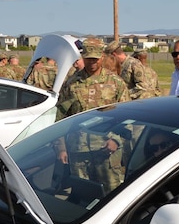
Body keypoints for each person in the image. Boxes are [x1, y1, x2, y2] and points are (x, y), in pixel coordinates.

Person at [54, 37, 131, 192]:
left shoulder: (116, 82)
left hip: (107, 150)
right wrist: (61, 147)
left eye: (96, 59)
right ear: (83, 58)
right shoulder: (71, 84)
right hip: (78, 150)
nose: (92, 62)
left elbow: (127, 116)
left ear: (102, 57)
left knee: (112, 194)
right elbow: (61, 118)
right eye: (88, 59)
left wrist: (116, 140)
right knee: (83, 194)